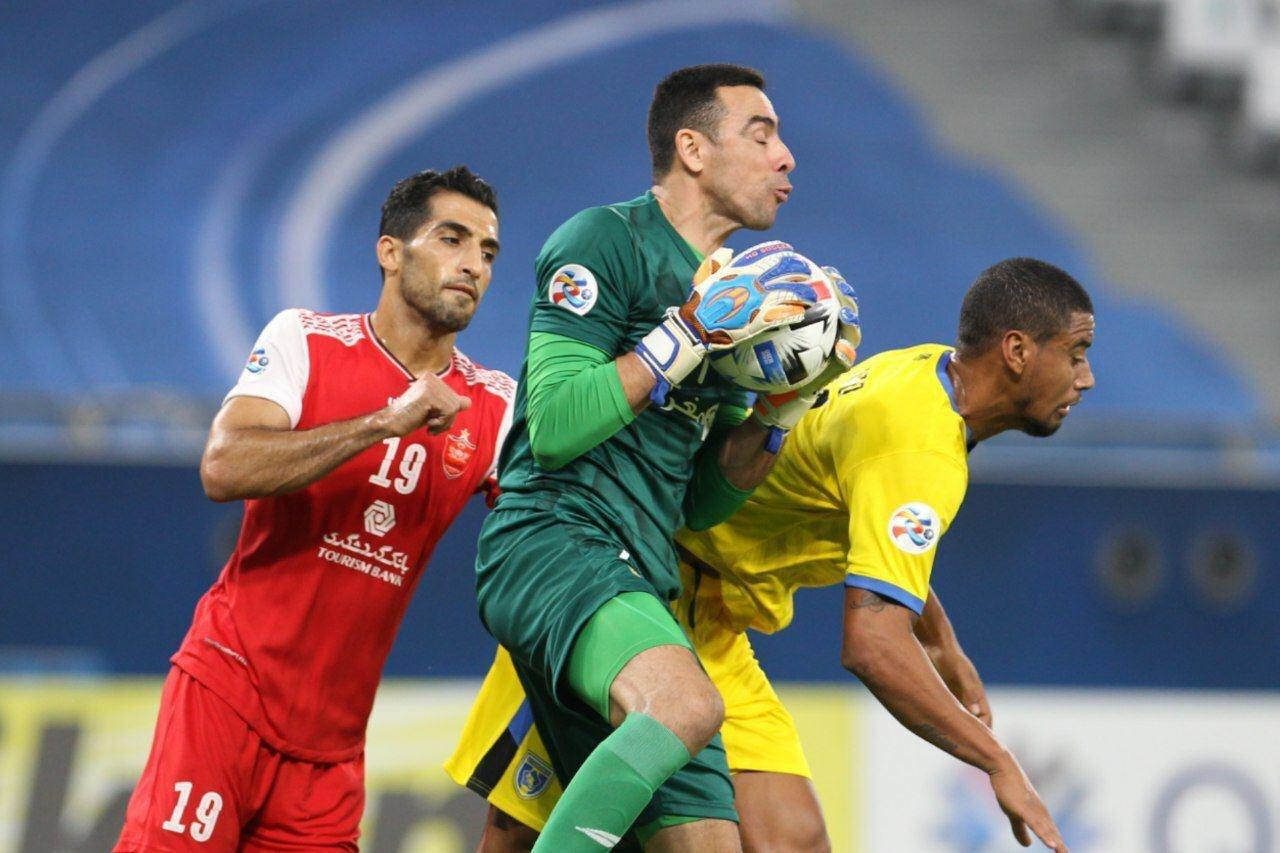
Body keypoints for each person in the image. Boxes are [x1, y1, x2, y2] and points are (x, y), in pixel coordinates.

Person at [450, 257, 1092, 853]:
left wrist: (943, 644)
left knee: (792, 841)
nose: (1085, 378)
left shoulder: (922, 373)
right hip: (634, 596)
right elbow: (872, 646)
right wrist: (997, 762)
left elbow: (876, 535)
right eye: (1076, 353)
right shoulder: (921, 451)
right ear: (1016, 351)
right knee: (517, 833)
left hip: (714, 628)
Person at [466, 63, 859, 853]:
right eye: (761, 134)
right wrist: (685, 336)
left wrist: (781, 410)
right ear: (693, 149)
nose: (785, 157)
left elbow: (701, 501)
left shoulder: (737, 298)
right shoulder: (604, 242)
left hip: (643, 580)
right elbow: (555, 426)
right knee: (685, 705)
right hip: (553, 541)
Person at [115, 166, 515, 851]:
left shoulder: (495, 405)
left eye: (487, 251)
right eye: (451, 239)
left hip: (331, 750)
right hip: (227, 693)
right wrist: (383, 423)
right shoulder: (305, 340)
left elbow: (554, 530)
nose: (473, 265)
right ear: (391, 252)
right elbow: (223, 465)